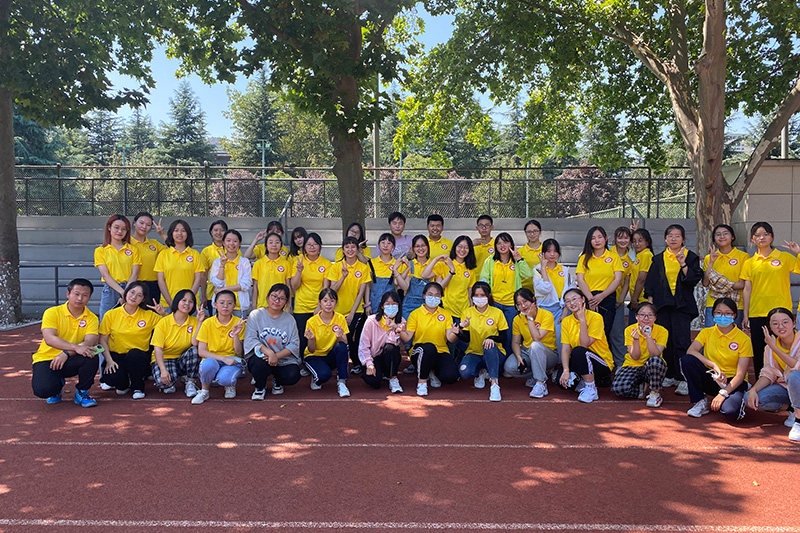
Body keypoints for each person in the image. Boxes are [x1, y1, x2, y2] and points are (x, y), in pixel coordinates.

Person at [644, 224, 702, 396]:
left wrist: (683, 264)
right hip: (662, 305)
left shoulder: (691, 257)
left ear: (683, 239)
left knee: (681, 342)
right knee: (666, 342)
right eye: (670, 235)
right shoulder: (658, 258)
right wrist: (650, 303)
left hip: (682, 306)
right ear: (665, 239)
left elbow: (693, 279)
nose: (673, 239)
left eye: (677, 236)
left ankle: (683, 377)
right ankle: (670, 374)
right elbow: (651, 282)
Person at [741, 222, 800, 377]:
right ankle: (762, 382)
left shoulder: (784, 257)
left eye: (766, 234)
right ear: (752, 239)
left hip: (781, 313)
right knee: (760, 350)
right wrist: (746, 315)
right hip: (757, 312)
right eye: (758, 235)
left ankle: (786, 381)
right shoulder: (749, 263)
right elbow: (747, 289)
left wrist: (798, 253)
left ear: (772, 237)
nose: (762, 238)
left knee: (784, 348)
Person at [31, 278, 100, 407]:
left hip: (72, 358)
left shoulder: (92, 318)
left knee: (92, 353)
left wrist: (66, 353)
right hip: (48, 358)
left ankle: (82, 391)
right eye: (76, 294)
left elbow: (89, 342)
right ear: (68, 294)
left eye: (85, 295)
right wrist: (74, 348)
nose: (80, 298)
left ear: (89, 297)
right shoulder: (52, 312)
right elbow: (50, 339)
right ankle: (56, 387)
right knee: (43, 390)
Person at [681, 298, 752, 420]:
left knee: (731, 412)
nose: (722, 316)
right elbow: (691, 351)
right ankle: (699, 401)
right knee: (688, 360)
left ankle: (739, 395)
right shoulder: (706, 332)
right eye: (718, 313)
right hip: (713, 377)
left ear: (734, 315)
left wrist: (723, 393)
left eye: (727, 313)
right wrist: (714, 365)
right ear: (713, 314)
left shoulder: (743, 339)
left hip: (733, 381)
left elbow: (740, 375)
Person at [99, 282, 166, 399]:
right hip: (117, 356)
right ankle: (124, 383)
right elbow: (102, 340)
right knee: (117, 385)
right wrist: (109, 360)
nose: (134, 297)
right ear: (126, 293)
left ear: (143, 299)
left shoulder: (149, 315)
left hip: (139, 357)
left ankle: (137, 386)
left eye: (139, 295)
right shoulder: (111, 314)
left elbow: (169, 326)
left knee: (135, 355)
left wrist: (163, 313)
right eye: (132, 292)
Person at [746, 307, 800, 441]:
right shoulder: (769, 348)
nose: (780, 326)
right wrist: (754, 389)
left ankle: (798, 422)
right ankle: (792, 409)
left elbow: (797, 366)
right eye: (775, 323)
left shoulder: (774, 346)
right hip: (786, 388)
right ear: (770, 327)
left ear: (794, 323)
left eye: (785, 322)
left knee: (794, 376)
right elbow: (768, 373)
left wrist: (775, 347)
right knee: (750, 398)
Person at [399, 282, 460, 396]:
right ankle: (422, 382)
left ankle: (432, 372)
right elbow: (407, 338)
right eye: (430, 294)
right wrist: (400, 331)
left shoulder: (446, 314)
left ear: (441, 297)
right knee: (429, 348)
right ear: (424, 295)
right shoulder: (415, 314)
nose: (433, 297)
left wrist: (457, 332)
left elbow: (450, 339)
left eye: (437, 295)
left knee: (451, 377)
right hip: (420, 351)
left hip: (441, 351)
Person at [479, 232, 533, 355]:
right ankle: (494, 359)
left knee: (510, 335)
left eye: (505, 242)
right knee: (493, 332)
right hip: (494, 303)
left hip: (511, 305)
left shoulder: (516, 262)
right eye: (499, 243)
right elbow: (483, 279)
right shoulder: (490, 261)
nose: (502, 245)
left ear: (511, 244)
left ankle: (508, 360)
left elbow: (528, 274)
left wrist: (519, 259)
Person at [245, 283, 302, 399]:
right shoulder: (255, 315)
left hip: (282, 359)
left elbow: (294, 344)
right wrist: (269, 353)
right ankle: (260, 387)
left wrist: (276, 356)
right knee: (259, 366)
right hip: (262, 357)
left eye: (281, 298)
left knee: (293, 375)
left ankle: (277, 381)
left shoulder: (290, 319)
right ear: (268, 296)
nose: (277, 301)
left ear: (286, 302)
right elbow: (251, 339)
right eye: (274, 296)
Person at [558, 288, 615, 403]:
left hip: (601, 362)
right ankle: (582, 382)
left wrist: (583, 320)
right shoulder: (566, 321)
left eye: (574, 299)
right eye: (568, 301)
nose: (572, 303)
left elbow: (584, 345)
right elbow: (565, 349)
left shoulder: (595, 317)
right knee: (560, 380)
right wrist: (566, 370)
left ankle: (591, 388)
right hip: (580, 360)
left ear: (583, 299)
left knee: (579, 351)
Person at [191, 290, 246, 404]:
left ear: (234, 306)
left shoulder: (239, 323)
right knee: (207, 364)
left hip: (232, 360)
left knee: (225, 379)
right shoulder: (208, 323)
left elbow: (238, 351)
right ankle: (204, 391)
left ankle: (229, 385)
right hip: (213, 358)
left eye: (229, 303)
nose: (225, 306)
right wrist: (223, 358)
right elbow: (201, 351)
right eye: (222, 303)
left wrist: (236, 334)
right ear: (215, 305)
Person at [610, 302, 668, 407]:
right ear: (636, 316)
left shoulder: (662, 331)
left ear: (655, 318)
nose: (646, 318)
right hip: (633, 364)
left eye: (650, 315)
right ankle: (640, 388)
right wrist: (635, 340)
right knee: (618, 389)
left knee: (656, 361)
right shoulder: (629, 330)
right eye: (642, 315)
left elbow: (655, 354)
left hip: (651, 366)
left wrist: (648, 336)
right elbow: (635, 357)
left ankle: (655, 393)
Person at [458, 282, 509, 401]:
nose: (479, 298)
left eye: (482, 295)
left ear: (489, 295)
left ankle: (494, 384)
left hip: (495, 353)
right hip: (474, 352)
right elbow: (466, 338)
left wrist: (491, 338)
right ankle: (481, 371)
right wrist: (459, 330)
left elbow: (504, 337)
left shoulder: (497, 312)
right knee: (464, 372)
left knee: (489, 346)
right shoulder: (467, 313)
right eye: (476, 295)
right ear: (472, 297)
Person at [328, 236, 371, 374]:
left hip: (356, 309)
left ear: (357, 249)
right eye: (347, 247)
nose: (350, 250)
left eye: (353, 247)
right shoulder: (336, 267)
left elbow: (361, 293)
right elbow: (332, 291)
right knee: (339, 338)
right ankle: (338, 364)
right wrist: (343, 277)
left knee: (352, 336)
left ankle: (357, 363)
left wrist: (352, 313)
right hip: (338, 310)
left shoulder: (363, 268)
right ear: (342, 250)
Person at [505, 288, 558, 399]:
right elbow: (515, 342)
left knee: (535, 345)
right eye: (519, 304)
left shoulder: (546, 315)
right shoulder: (517, 319)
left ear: (533, 300)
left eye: (525, 301)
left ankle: (540, 382)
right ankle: (538, 374)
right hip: (527, 351)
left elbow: (537, 338)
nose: (523, 306)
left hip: (548, 353)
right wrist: (519, 357)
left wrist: (530, 318)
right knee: (509, 367)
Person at [150, 289, 203, 397]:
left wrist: (199, 322)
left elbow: (194, 343)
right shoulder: (163, 322)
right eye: (184, 300)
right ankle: (173, 377)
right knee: (165, 384)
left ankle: (190, 382)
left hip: (183, 358)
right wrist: (163, 370)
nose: (187, 304)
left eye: (191, 301)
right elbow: (158, 349)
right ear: (177, 302)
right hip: (166, 358)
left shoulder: (193, 321)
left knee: (195, 350)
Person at [575, 226, 623, 343]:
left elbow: (617, 279)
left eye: (600, 237)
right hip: (588, 297)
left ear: (605, 238)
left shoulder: (613, 257)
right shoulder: (584, 258)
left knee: (604, 332)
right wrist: (591, 299)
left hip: (607, 297)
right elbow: (580, 280)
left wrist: (602, 296)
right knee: (588, 331)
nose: (597, 240)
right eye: (593, 238)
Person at [289, 232, 332, 356]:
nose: (312, 247)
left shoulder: (326, 264)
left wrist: (320, 306)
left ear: (320, 246)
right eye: (309, 245)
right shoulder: (298, 261)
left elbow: (325, 288)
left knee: (318, 337)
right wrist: (299, 271)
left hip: (318, 307)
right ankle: (303, 362)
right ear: (304, 247)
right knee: (303, 338)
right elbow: (294, 286)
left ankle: (317, 361)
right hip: (301, 306)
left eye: (315, 244)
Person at [303, 288, 351, 397]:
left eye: (332, 301)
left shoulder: (340, 318)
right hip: (314, 356)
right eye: (325, 301)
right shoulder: (311, 321)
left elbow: (345, 344)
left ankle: (342, 382)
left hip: (330, 355)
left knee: (341, 346)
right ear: (319, 302)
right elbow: (311, 350)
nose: (329, 304)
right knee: (324, 376)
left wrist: (339, 337)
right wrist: (311, 339)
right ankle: (316, 376)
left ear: (336, 302)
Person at [94, 214, 142, 322]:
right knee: (105, 321)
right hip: (111, 289)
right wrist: (122, 292)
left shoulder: (133, 249)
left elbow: (135, 273)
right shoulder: (100, 251)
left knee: (128, 322)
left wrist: (128, 292)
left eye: (124, 229)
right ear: (109, 227)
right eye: (116, 227)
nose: (120, 231)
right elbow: (105, 275)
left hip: (131, 288)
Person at [701, 224, 748, 327]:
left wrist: (719, 284)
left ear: (732, 237)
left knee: (733, 335)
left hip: (735, 304)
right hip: (713, 304)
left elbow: (742, 284)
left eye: (725, 234)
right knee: (711, 335)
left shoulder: (743, 257)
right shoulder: (709, 258)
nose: (722, 237)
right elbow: (705, 283)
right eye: (718, 234)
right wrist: (711, 263)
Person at [359, 291, 405, 393]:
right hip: (373, 357)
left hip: (388, 356)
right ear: (382, 306)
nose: (391, 307)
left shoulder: (401, 322)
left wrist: (394, 327)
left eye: (394, 304)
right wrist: (369, 364)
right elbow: (363, 346)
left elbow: (394, 344)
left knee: (391, 348)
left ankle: (393, 378)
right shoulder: (371, 321)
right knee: (373, 381)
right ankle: (378, 373)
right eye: (387, 304)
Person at [535, 238, 575, 352]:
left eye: (555, 251)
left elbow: (571, 291)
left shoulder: (565, 270)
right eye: (548, 251)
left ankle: (561, 361)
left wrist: (565, 311)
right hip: (543, 308)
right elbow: (545, 288)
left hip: (561, 308)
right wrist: (543, 268)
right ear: (543, 253)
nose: (552, 254)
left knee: (561, 336)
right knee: (544, 337)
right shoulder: (537, 270)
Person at [154, 219, 203, 307]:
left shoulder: (195, 254)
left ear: (188, 234)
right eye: (176, 230)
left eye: (183, 231)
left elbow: (197, 279)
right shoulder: (163, 254)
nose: (179, 233)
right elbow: (161, 280)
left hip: (190, 305)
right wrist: (171, 303)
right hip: (167, 304)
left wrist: (188, 301)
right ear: (171, 233)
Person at [397, 235, 446, 321]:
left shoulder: (435, 265)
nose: (420, 249)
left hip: (429, 305)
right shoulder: (409, 264)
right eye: (417, 246)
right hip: (409, 305)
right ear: (413, 248)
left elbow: (439, 287)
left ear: (428, 246)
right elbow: (405, 287)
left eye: (423, 245)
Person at [209, 229, 252, 317]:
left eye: (235, 241)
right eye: (228, 241)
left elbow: (246, 284)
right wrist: (222, 266)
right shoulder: (217, 262)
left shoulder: (244, 262)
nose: (231, 244)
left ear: (240, 244)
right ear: (223, 243)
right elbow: (217, 283)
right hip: (220, 306)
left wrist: (223, 290)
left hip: (239, 305)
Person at [610, 226, 634, 368]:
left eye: (626, 238)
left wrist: (620, 300)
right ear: (615, 239)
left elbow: (626, 282)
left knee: (618, 333)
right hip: (601, 298)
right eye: (620, 237)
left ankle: (620, 364)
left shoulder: (630, 258)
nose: (623, 240)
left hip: (617, 301)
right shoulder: (608, 251)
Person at [130, 212, 166, 306]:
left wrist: (162, 235)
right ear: (134, 223)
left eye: (148, 225)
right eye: (141, 223)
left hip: (153, 286)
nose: (144, 226)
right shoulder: (127, 243)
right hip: (134, 285)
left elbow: (173, 249)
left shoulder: (154, 243)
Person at [251, 232, 294, 311]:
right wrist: (254, 306)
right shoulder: (258, 264)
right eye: (270, 242)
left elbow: (288, 286)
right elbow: (255, 287)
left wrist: (288, 306)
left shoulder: (286, 264)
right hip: (262, 306)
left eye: (277, 242)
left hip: (281, 306)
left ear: (281, 245)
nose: (274, 245)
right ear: (266, 245)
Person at [368, 233, 402, 313]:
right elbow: (367, 286)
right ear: (379, 245)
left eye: (389, 243)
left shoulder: (397, 264)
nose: (385, 246)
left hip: (391, 306)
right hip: (374, 303)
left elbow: (398, 283)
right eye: (383, 243)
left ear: (393, 246)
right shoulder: (371, 263)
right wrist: (367, 304)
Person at [200, 220, 229, 314]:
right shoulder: (206, 251)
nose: (219, 233)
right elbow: (203, 275)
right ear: (211, 232)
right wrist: (203, 296)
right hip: (212, 294)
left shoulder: (233, 249)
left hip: (230, 294)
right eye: (216, 230)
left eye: (222, 230)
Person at [628, 228, 654, 325]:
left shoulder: (646, 255)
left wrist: (634, 300)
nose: (637, 244)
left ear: (647, 242)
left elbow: (641, 279)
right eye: (634, 241)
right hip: (637, 299)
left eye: (640, 241)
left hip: (642, 300)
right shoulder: (639, 255)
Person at [518, 219, 543, 291]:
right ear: (525, 233)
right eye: (529, 232)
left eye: (535, 231)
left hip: (543, 289)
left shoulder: (546, 250)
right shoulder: (520, 252)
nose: (532, 234)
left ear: (540, 232)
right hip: (524, 290)